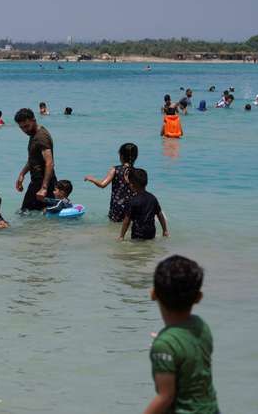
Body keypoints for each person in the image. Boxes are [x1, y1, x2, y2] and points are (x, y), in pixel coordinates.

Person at [143, 255, 218, 414]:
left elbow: (165, 397)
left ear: (153, 294)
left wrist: (165, 344)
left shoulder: (164, 346)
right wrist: (169, 341)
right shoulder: (202, 327)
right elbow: (190, 356)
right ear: (198, 298)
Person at [14, 108, 56, 212]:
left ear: (34, 120)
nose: (25, 130)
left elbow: (49, 162)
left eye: (26, 126)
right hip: (39, 180)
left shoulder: (41, 137)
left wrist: (44, 188)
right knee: (41, 213)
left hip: (42, 181)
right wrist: (22, 174)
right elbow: (33, 159)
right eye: (22, 128)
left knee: (25, 213)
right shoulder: (33, 134)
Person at [84, 142, 138, 222]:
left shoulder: (115, 170)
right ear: (135, 157)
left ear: (121, 156)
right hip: (133, 205)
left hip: (117, 206)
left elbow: (103, 184)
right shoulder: (137, 172)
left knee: (114, 226)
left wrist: (92, 179)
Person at [119, 168, 168, 241]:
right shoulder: (152, 198)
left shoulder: (132, 201)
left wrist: (122, 236)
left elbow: (127, 220)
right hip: (150, 233)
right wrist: (165, 230)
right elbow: (160, 215)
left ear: (132, 185)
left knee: (138, 250)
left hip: (137, 234)